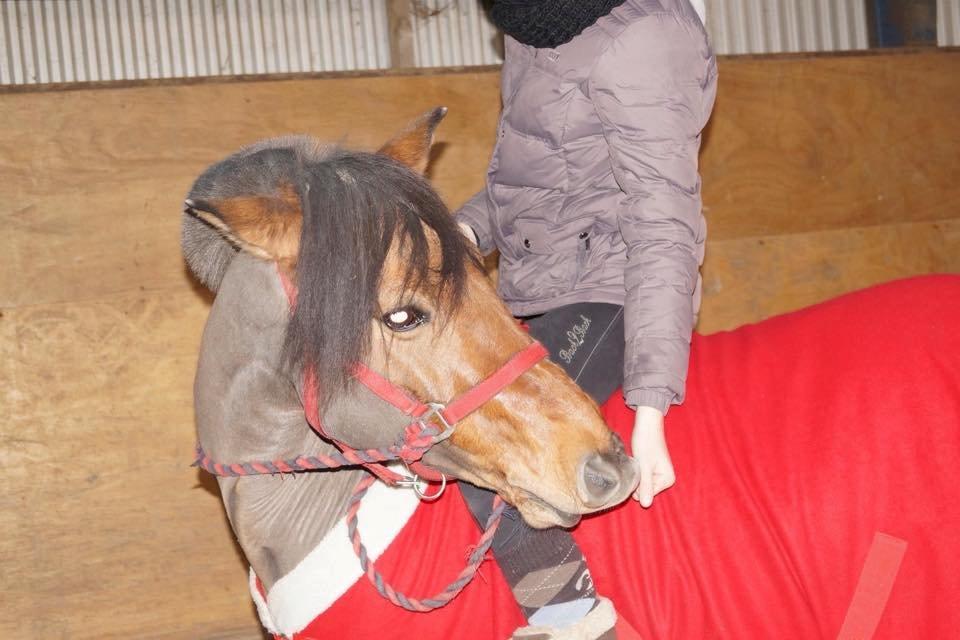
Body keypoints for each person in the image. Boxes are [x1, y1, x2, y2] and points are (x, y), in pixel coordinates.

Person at [454, 0, 716, 636]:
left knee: (501, 444)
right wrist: (464, 227)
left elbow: (663, 224)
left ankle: (572, 621)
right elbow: (527, 180)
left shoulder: (645, 38)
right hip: (532, 287)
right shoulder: (533, 21)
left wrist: (651, 406)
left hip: (614, 289)